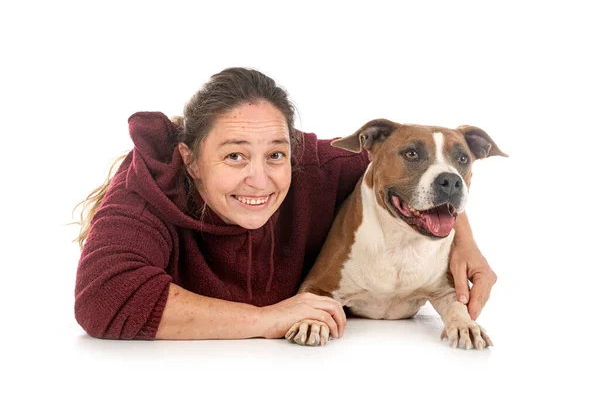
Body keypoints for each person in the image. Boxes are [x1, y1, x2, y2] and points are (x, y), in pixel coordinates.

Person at [73, 67, 497, 340]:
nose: (260, 179)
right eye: (235, 155)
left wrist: (461, 235)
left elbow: (410, 181)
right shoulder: (146, 186)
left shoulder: (319, 166)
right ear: (190, 159)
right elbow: (103, 299)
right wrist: (268, 319)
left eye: (276, 154)